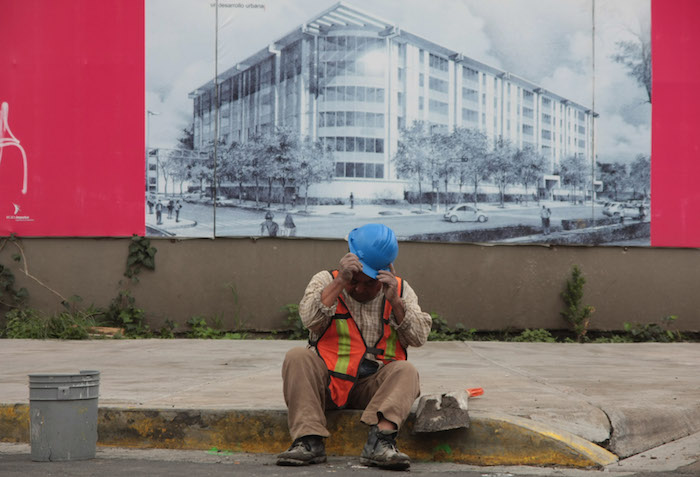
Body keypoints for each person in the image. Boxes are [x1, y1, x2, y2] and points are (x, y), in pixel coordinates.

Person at [277, 224, 432, 471]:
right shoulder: (327, 280)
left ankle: (380, 443)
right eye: (355, 281)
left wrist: (396, 303)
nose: (359, 288)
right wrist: (340, 282)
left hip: (373, 389)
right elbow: (310, 321)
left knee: (407, 371)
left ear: (384, 275)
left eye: (369, 283)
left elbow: (419, 337)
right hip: (328, 384)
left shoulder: (399, 290)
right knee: (297, 356)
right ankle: (308, 441)